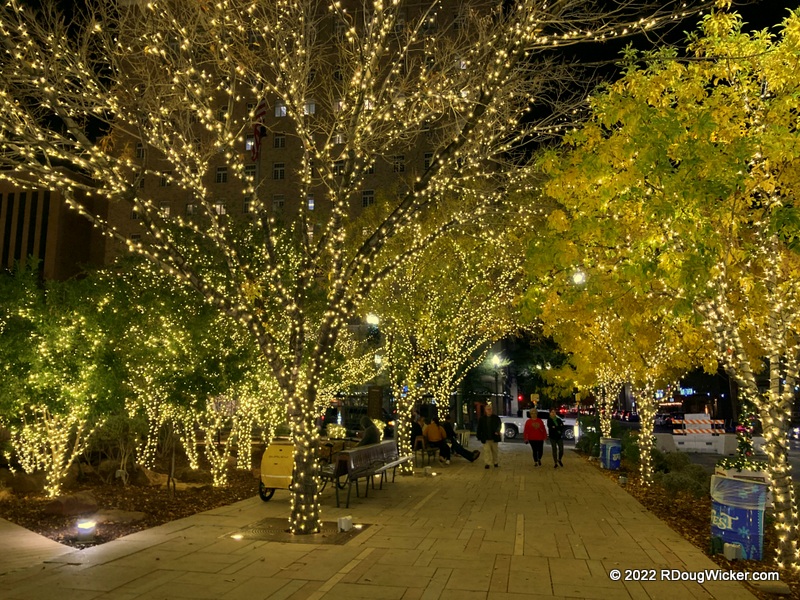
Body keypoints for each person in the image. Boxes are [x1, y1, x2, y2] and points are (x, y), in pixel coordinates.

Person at [476, 404, 501, 469]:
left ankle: (495, 462)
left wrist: (497, 431)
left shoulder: (496, 418)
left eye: (490, 409)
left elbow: (499, 425)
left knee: (495, 451)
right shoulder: (482, 419)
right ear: (485, 410)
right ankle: (487, 463)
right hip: (486, 437)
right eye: (488, 409)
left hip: (494, 437)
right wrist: (479, 436)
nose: (489, 410)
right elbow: (479, 428)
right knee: (487, 451)